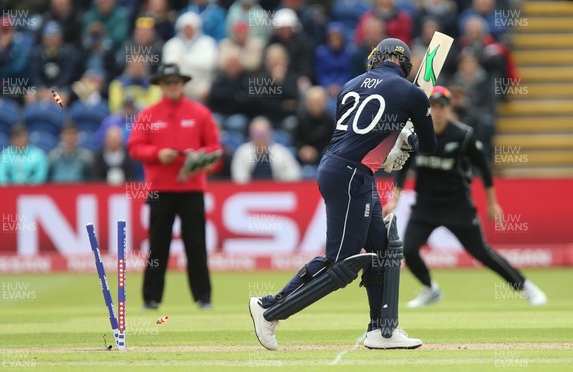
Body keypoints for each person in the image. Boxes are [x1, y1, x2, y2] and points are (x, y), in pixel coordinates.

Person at [249, 38, 437, 351]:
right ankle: (269, 309)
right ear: (405, 66)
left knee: (383, 248)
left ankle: (382, 329)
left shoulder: (350, 84)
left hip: (346, 170)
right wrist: (407, 141)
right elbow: (429, 145)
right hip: (352, 175)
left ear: (375, 58)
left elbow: (358, 134)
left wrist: (397, 140)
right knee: (343, 263)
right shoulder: (412, 93)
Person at [382, 86, 548, 308]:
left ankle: (525, 286)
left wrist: (492, 203)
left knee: (482, 254)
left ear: (448, 107)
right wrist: (394, 198)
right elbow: (403, 169)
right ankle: (431, 289)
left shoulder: (463, 135)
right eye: (433, 106)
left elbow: (485, 169)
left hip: (457, 206)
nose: (437, 111)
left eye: (441, 106)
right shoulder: (418, 136)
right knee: (409, 250)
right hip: (426, 206)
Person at [127, 63, 221, 310]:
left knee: (196, 244)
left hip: (191, 188)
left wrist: (197, 155)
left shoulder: (200, 113)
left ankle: (204, 298)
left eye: (176, 82)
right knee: (158, 245)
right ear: (160, 85)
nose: (172, 86)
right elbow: (135, 147)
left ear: (183, 84)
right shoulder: (147, 115)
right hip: (161, 189)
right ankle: (151, 298)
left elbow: (214, 148)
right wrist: (159, 154)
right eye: (168, 82)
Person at [230, 117, 301, 183]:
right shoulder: (242, 152)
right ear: (250, 134)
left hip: (276, 192)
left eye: (263, 133)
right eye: (257, 133)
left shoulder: (280, 151)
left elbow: (294, 174)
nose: (260, 137)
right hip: (249, 193)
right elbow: (239, 177)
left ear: (270, 133)